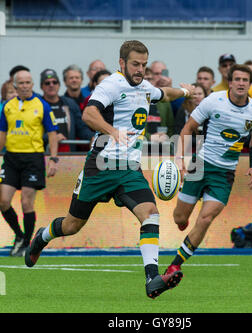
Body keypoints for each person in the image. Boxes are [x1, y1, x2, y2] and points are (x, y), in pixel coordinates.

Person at [25, 40, 194, 299]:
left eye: (144, 65)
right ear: (122, 63)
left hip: (129, 169)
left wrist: (184, 91)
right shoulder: (111, 85)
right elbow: (89, 114)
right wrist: (112, 131)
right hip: (100, 167)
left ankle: (152, 278)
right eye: (135, 64)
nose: (140, 69)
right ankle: (42, 236)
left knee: (150, 214)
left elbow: (164, 93)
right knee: (72, 226)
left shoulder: (145, 86)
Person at [164, 64, 252, 283]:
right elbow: (188, 128)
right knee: (179, 217)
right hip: (200, 165)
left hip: (224, 174)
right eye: (236, 79)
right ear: (230, 82)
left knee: (206, 218)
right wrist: (180, 159)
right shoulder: (213, 101)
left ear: (250, 84)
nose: (240, 83)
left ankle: (174, 266)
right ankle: (183, 220)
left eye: (244, 80)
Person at [0, 70, 59, 256]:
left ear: (32, 84)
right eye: (21, 83)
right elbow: (2, 133)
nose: (25, 86)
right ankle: (19, 235)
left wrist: (53, 159)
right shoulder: (7, 106)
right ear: (15, 86)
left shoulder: (42, 105)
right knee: (3, 201)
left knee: (27, 202)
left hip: (33, 159)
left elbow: (52, 133)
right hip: (11, 158)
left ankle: (26, 243)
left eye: (28, 82)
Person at [40, 68, 95, 152]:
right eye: (47, 83)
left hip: (68, 155)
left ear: (59, 85)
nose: (51, 85)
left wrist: (91, 136)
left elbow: (81, 127)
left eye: (54, 82)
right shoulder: (37, 105)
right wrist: (51, 137)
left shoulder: (70, 103)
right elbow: (33, 132)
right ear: (41, 86)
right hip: (45, 155)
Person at [148, 61, 175, 141]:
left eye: (162, 73)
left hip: (163, 145)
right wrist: (149, 137)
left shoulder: (166, 100)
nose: (160, 77)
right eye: (156, 74)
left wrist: (170, 89)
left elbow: (171, 126)